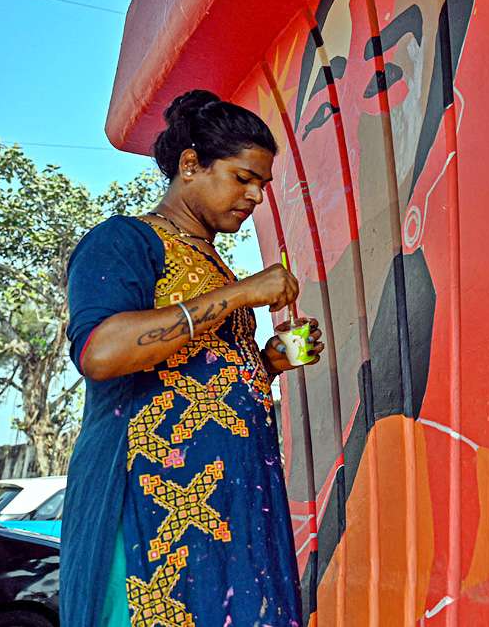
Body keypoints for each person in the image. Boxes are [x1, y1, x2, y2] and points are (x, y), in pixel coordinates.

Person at [61, 90, 325, 627]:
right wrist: (241, 295)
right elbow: (101, 351)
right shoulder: (125, 240)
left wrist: (269, 361)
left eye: (262, 184)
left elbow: (202, 375)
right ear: (190, 165)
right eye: (241, 177)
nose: (254, 195)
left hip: (236, 505)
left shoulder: (218, 268)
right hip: (148, 506)